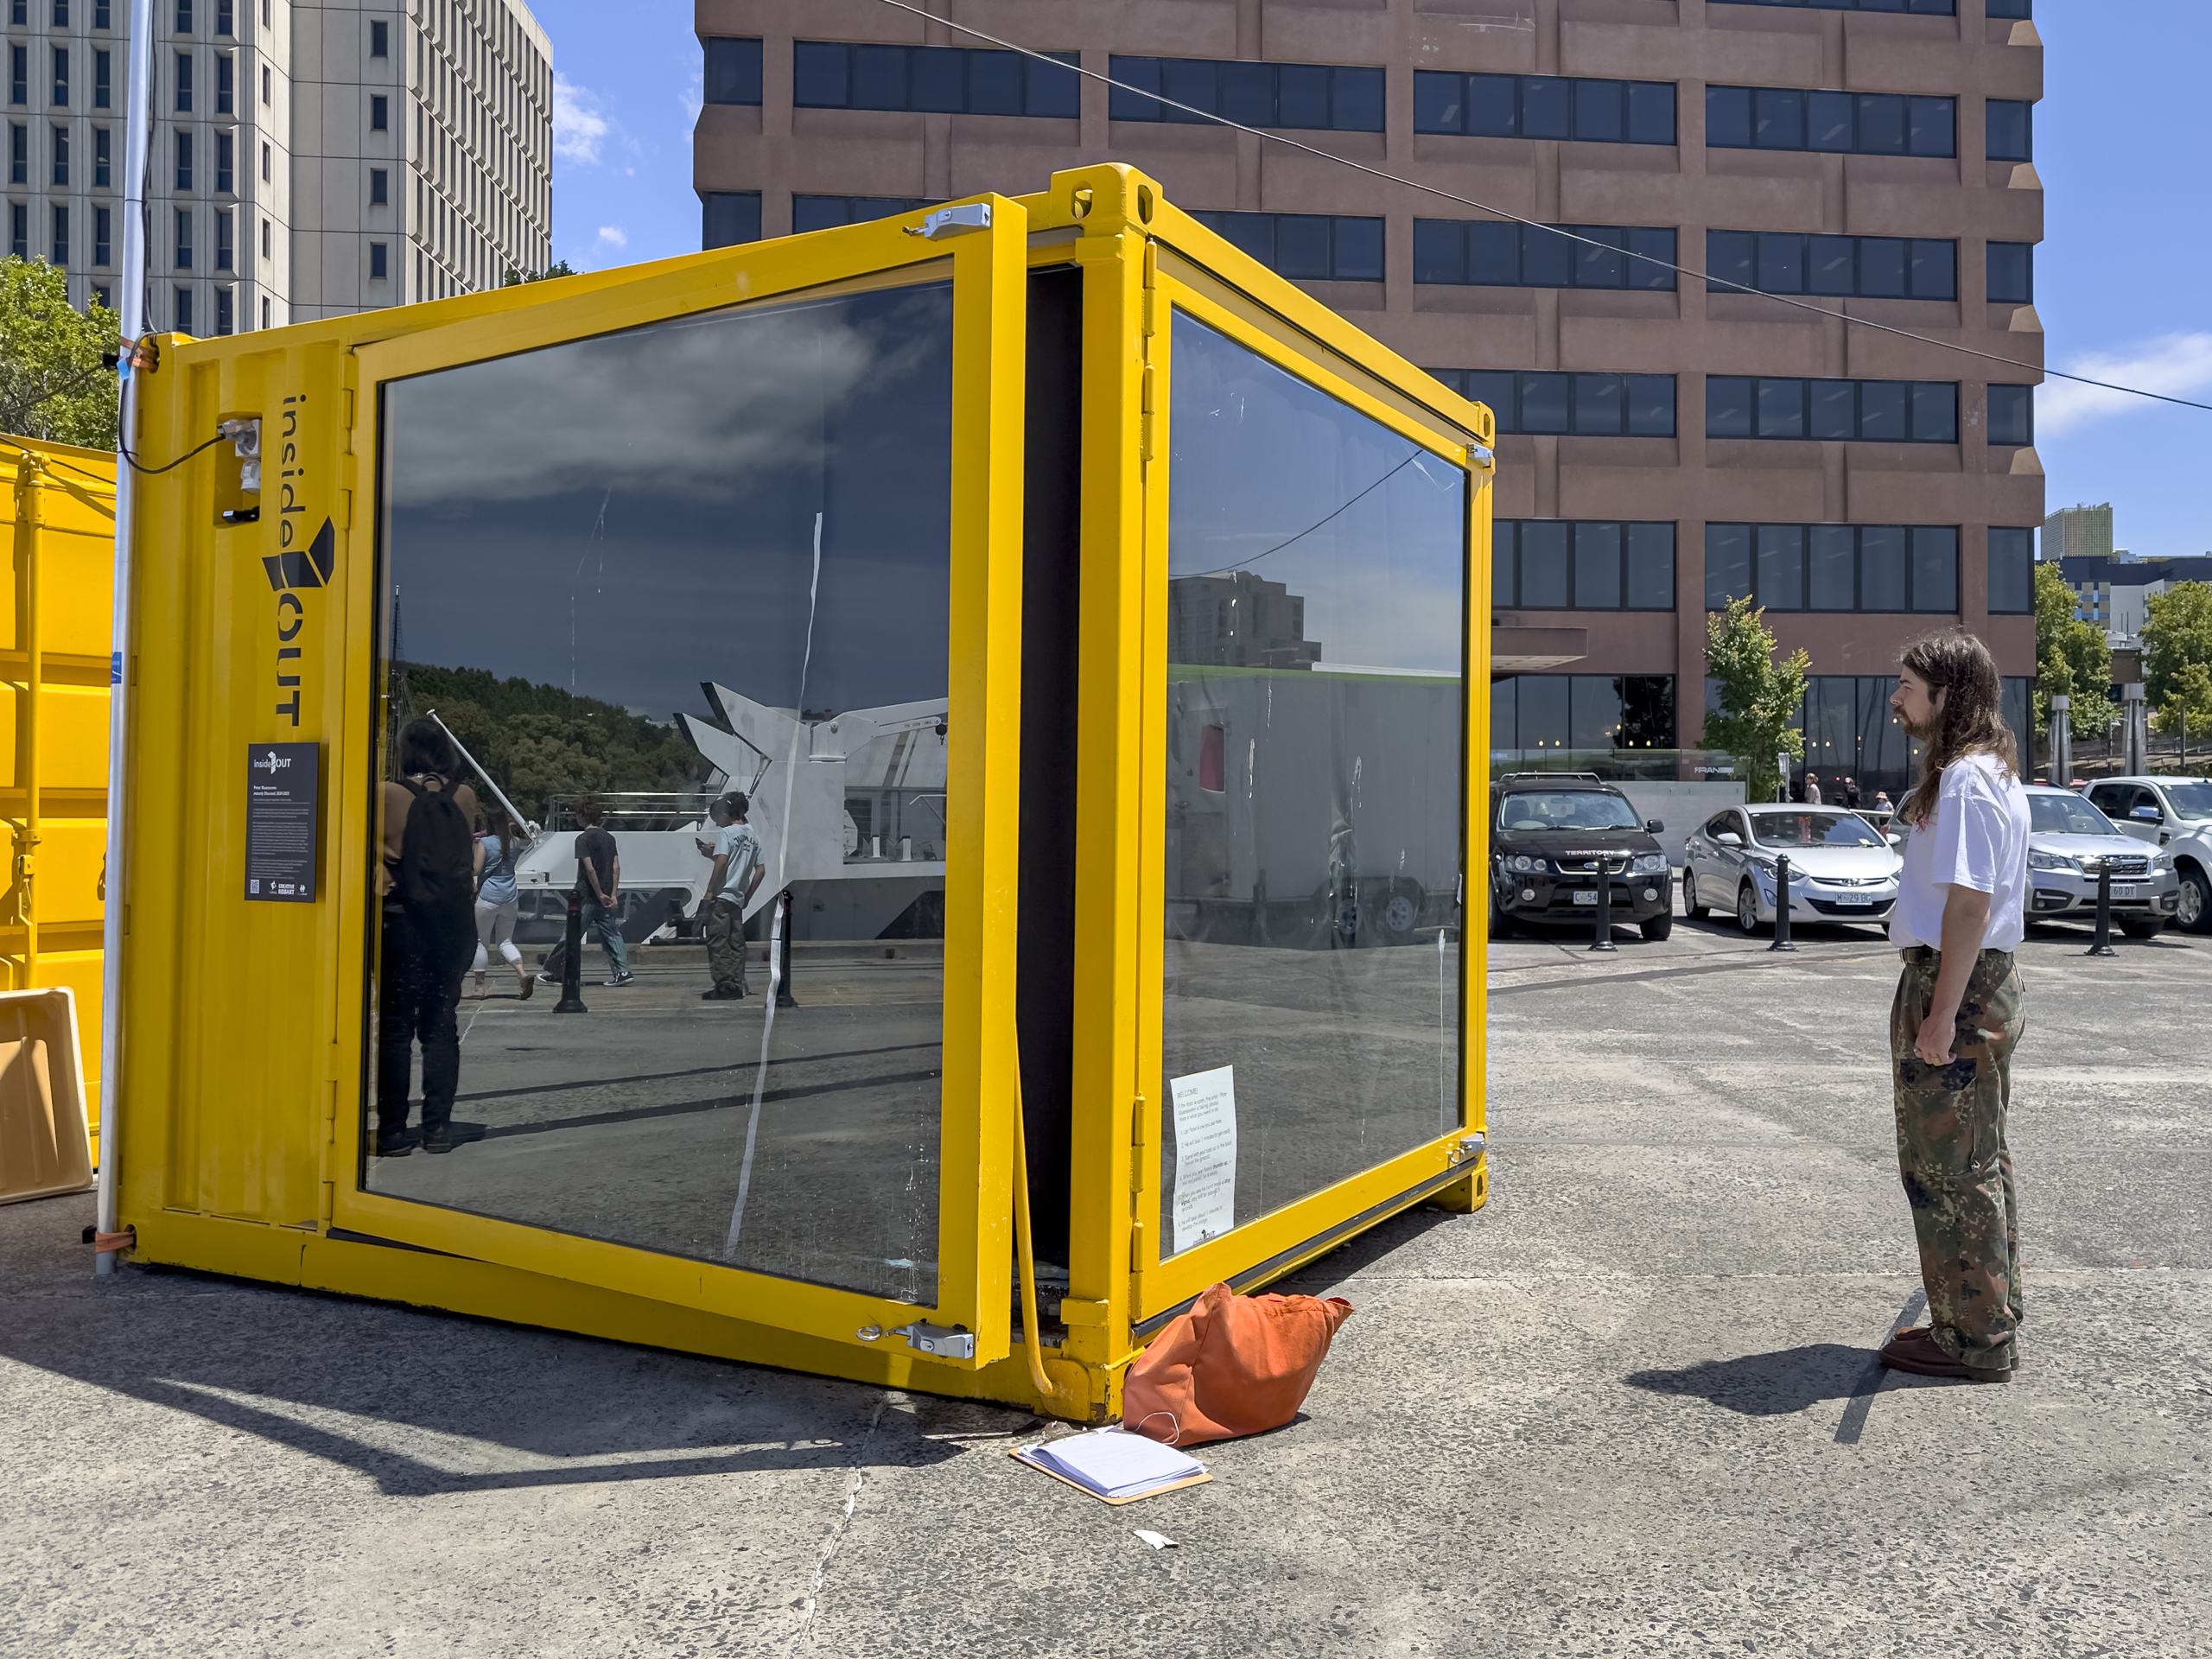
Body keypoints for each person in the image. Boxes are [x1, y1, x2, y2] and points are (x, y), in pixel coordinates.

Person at [1878, 629, 2031, 1383]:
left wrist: (1940, 1016)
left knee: (1950, 1169)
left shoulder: (1969, 781)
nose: (1897, 697)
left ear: (1949, 695)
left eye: (1909, 685)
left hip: (1959, 984)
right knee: (1978, 1157)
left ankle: (1972, 1340)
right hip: (1973, 980)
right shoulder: (1985, 774)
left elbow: (1968, 905)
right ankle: (1987, 1315)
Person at [376, 720, 481, 1157]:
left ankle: (393, 1132)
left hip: (402, 921)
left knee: (396, 1029)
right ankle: (437, 1129)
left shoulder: (386, 794)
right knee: (441, 1026)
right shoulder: (465, 795)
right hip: (453, 926)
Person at [697, 792, 766, 1001]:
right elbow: (761, 870)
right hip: (737, 899)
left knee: (718, 941)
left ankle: (724, 986)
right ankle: (736, 983)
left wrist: (709, 890)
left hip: (721, 897)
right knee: (736, 943)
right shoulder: (754, 837)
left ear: (727, 813)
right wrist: (748, 896)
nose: (717, 821)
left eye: (718, 816)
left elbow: (723, 862)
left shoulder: (726, 834)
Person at [470, 805, 531, 1001]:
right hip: (510, 898)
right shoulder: (514, 842)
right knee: (505, 941)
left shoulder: (485, 843)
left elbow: (476, 870)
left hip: (488, 897)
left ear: (489, 823)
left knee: (481, 941)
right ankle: (522, 974)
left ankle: (479, 987)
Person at [573, 798, 633, 988]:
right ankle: (622, 971)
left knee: (572, 933)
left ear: (582, 816)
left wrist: (599, 893)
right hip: (608, 894)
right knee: (612, 934)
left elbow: (589, 869)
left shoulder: (582, 839)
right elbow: (616, 867)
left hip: (588, 895)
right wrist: (613, 893)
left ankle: (559, 971)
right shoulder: (609, 838)